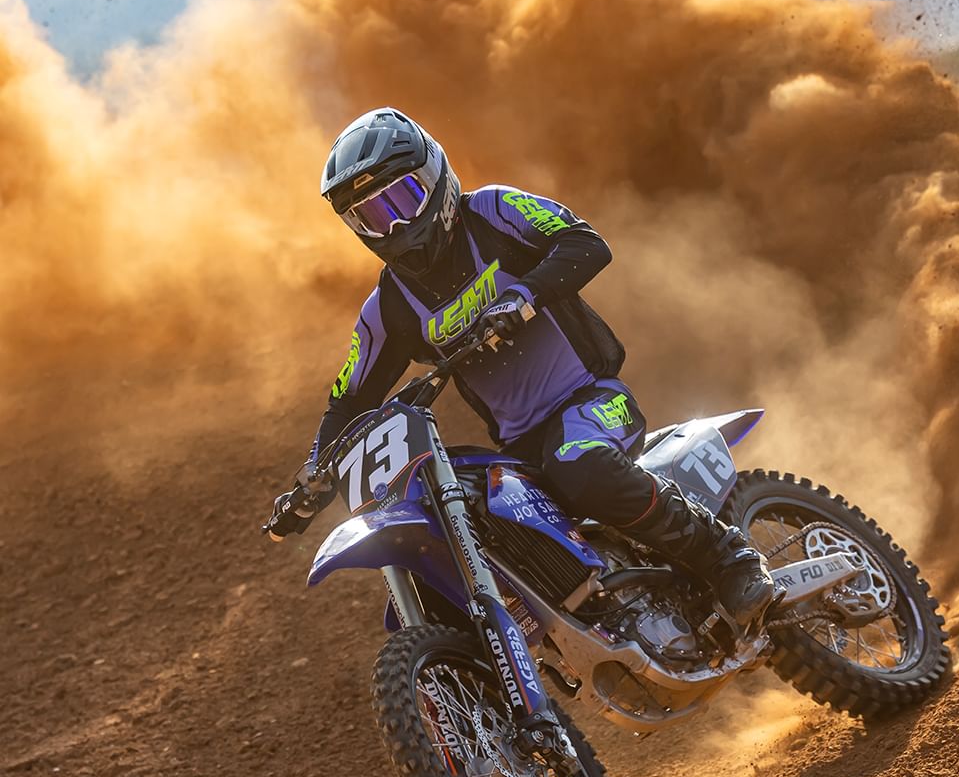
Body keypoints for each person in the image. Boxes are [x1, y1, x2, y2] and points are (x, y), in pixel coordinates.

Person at [266, 108, 775, 629]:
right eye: (370, 218)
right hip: (519, 447)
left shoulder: (491, 212)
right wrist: (313, 476)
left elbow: (584, 242)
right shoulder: (389, 307)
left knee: (579, 463)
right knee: (471, 515)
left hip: (592, 399)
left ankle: (727, 556)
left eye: (401, 201)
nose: (393, 225)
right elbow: (350, 400)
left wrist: (522, 297)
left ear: (434, 177)